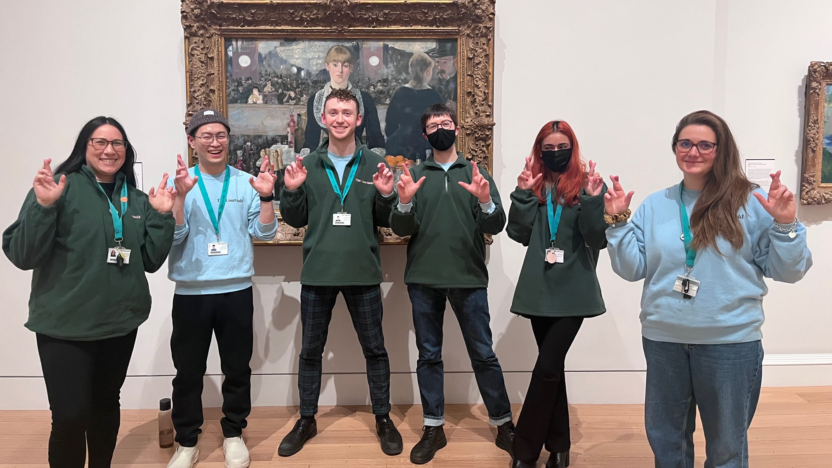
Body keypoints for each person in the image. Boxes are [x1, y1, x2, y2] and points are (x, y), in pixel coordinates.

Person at [604, 110, 812, 468]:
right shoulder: (656, 205)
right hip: (664, 340)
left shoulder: (751, 201)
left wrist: (786, 223)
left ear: (721, 150)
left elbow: (789, 271)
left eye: (705, 145)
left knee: (726, 449)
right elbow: (631, 268)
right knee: (667, 444)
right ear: (675, 148)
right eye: (685, 143)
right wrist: (617, 222)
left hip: (729, 344)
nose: (693, 152)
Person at [2, 116, 177, 468]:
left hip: (119, 323)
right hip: (65, 325)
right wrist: (44, 206)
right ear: (85, 147)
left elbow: (150, 260)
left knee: (105, 406)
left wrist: (161, 216)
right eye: (99, 142)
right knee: (69, 417)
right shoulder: (57, 189)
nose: (109, 150)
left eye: (117, 143)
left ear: (126, 151)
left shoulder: (137, 198)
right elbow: (22, 255)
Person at [278, 88, 401, 457]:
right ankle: (307, 418)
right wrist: (292, 190)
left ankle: (383, 417)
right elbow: (296, 219)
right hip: (317, 274)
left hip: (364, 273)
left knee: (375, 350)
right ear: (323, 118)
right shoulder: (307, 165)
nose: (340, 118)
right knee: (310, 351)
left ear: (359, 119)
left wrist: (385, 194)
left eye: (347, 112)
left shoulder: (374, 165)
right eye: (334, 112)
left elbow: (386, 220)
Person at [389, 103, 513, 464]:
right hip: (423, 279)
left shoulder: (476, 171)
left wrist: (486, 200)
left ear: (456, 129)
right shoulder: (414, 173)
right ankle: (433, 427)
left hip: (469, 278)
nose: (440, 128)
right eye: (433, 125)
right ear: (425, 135)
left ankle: (503, 422)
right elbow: (400, 230)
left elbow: (495, 226)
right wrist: (406, 202)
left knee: (484, 354)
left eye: (446, 123)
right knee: (429, 355)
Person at [165, 109, 278, 468]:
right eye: (206, 136)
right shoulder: (180, 183)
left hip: (235, 291)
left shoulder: (246, 182)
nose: (215, 143)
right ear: (192, 141)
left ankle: (233, 433)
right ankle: (186, 442)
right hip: (191, 293)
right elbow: (174, 236)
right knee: (187, 373)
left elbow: (264, 233)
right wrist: (180, 197)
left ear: (229, 139)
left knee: (237, 368)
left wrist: (264, 197)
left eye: (221, 136)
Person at [506, 121, 607, 468]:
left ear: (572, 146)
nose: (555, 153)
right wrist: (521, 193)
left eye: (561, 146)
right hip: (538, 289)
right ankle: (560, 448)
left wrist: (594, 201)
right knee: (554, 369)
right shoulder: (532, 183)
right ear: (539, 150)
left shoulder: (588, 184)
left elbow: (596, 238)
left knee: (546, 368)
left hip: (574, 289)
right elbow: (518, 234)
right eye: (547, 148)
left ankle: (525, 452)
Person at [303, 45, 385, 151]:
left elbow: (376, 140)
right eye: (335, 65)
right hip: (326, 161)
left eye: (345, 65)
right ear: (327, 66)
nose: (340, 70)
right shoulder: (315, 100)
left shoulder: (365, 99)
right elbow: (311, 142)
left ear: (351, 68)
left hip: (358, 161)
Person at [385, 51, 444, 161]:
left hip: (398, 148)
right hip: (426, 148)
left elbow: (390, 125)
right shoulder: (435, 96)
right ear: (427, 72)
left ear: (410, 70)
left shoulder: (399, 93)